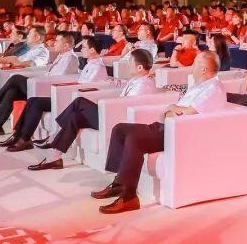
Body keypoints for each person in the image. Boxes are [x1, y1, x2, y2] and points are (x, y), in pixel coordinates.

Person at [92, 50, 229, 214]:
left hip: (179, 133)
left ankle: (129, 198)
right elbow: (178, 109)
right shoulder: (201, 85)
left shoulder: (213, 88)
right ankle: (119, 183)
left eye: (195, 63)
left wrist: (172, 109)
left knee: (134, 139)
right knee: (120, 129)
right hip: (168, 126)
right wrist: (173, 109)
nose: (191, 66)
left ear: (204, 69)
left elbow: (189, 112)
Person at [26, 49, 158, 171]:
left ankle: (54, 136)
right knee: (75, 117)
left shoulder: (144, 85)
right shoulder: (138, 79)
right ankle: (55, 158)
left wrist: (107, 105)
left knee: (80, 102)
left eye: (130, 62)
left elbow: (126, 106)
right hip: (112, 113)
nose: (128, 65)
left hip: (117, 120)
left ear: (140, 68)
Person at [2, 35, 111, 151]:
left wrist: (66, 89)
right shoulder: (90, 63)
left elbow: (87, 88)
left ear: (92, 50)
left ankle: (25, 138)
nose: (81, 49)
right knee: (33, 100)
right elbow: (80, 83)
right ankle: (18, 135)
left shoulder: (97, 67)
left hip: (79, 100)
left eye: (84, 47)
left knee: (36, 102)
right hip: (72, 95)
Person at [0, 32, 81, 134]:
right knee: (12, 92)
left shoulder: (70, 58)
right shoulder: (62, 56)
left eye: (57, 41)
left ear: (66, 45)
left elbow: (61, 80)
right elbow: (50, 75)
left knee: (16, 78)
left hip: (50, 91)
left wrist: (37, 81)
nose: (54, 43)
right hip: (43, 86)